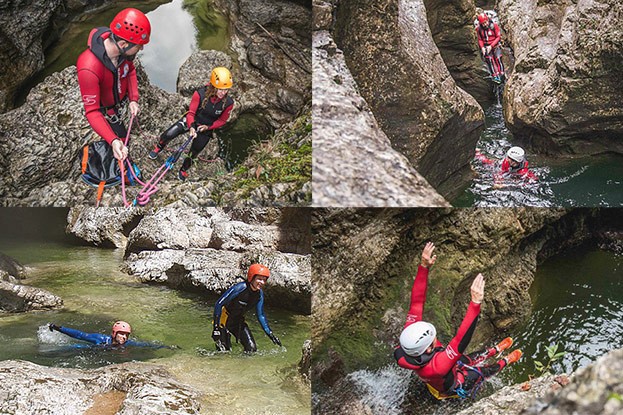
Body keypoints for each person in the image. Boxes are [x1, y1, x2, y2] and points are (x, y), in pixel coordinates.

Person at [393, 242, 522, 399]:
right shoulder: (438, 366)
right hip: (453, 384)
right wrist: (475, 302)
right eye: (432, 337)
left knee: (470, 358)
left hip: (443, 370)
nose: (435, 337)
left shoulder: (410, 340)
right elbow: (461, 340)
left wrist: (424, 266)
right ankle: (505, 361)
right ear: (428, 349)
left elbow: (417, 302)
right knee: (481, 372)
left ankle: (494, 350)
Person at [77, 8, 151, 161]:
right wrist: (113, 140)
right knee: (123, 142)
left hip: (120, 101)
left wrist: (133, 99)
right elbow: (92, 111)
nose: (141, 48)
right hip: (106, 111)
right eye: (139, 45)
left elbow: (130, 71)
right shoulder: (89, 67)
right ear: (123, 44)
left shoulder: (122, 53)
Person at [148, 67, 235, 181]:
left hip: (206, 128)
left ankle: (184, 169)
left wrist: (208, 127)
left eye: (226, 90)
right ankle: (159, 147)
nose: (223, 93)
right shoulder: (200, 94)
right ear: (213, 86)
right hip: (192, 120)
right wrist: (192, 127)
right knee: (168, 134)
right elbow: (191, 113)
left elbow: (222, 121)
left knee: (195, 151)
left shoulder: (228, 103)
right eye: (220, 89)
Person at [212, 263, 282, 352]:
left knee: (252, 349)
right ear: (251, 277)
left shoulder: (259, 295)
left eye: (264, 280)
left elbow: (260, 315)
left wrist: (270, 334)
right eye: (259, 279)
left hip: (238, 322)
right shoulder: (240, 288)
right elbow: (219, 304)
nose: (262, 282)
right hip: (224, 321)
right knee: (224, 352)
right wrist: (216, 328)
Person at [48, 321, 166, 348]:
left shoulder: (128, 344)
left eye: (126, 335)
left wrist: (165, 347)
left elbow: (145, 345)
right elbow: (80, 335)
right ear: (114, 334)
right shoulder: (101, 339)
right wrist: (59, 328)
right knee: (74, 348)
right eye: (121, 334)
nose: (124, 337)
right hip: (94, 349)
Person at [475, 12, 505, 83]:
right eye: (483, 23)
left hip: (495, 45)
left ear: (488, 20)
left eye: (486, 22)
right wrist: (482, 47)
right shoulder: (479, 29)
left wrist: (491, 46)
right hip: (486, 46)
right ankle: (495, 76)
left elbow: (498, 37)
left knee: (498, 58)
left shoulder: (494, 26)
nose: (485, 24)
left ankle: (502, 74)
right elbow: (480, 39)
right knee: (490, 60)